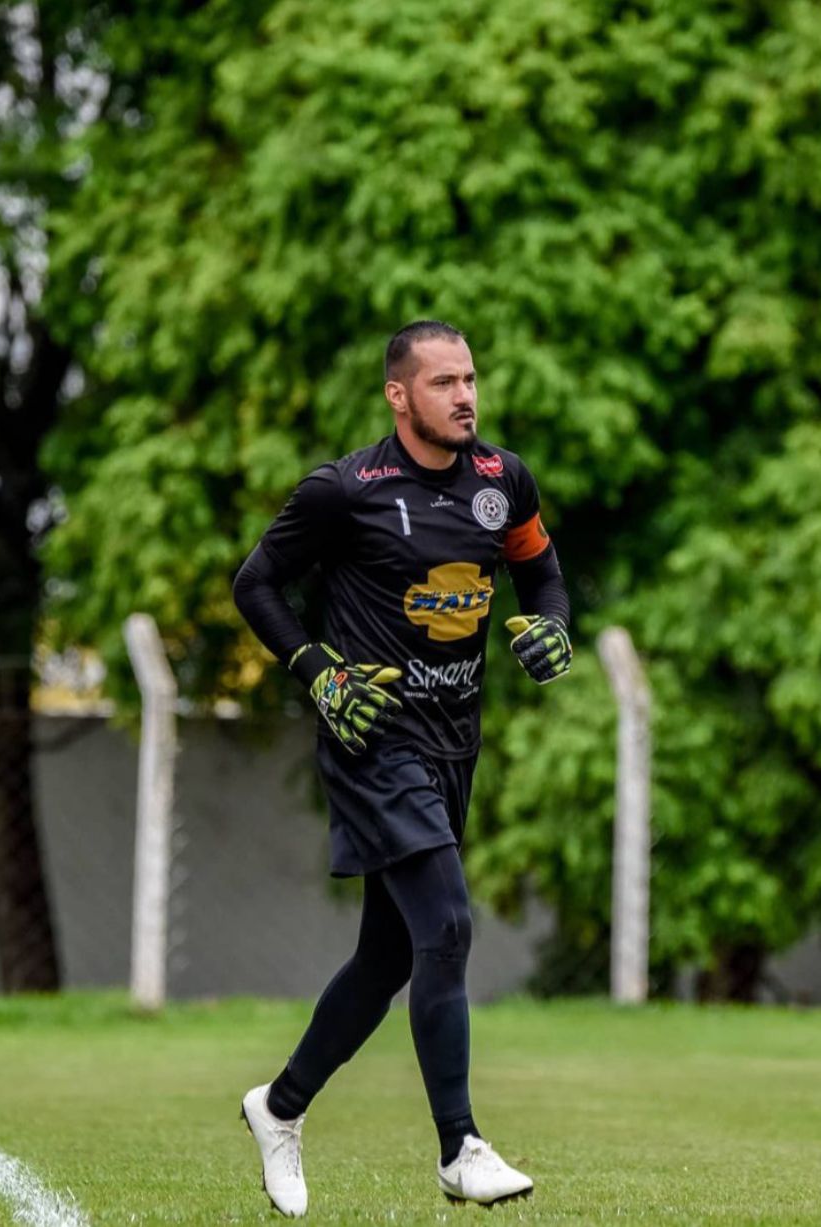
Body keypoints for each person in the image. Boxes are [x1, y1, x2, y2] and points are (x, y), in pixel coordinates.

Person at [232, 320, 572, 1217]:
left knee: (389, 955)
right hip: (374, 738)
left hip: (456, 744)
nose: (464, 396)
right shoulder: (345, 490)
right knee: (449, 927)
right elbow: (254, 584)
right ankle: (461, 1146)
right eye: (442, 382)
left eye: (470, 378)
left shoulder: (504, 480)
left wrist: (553, 630)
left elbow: (541, 574)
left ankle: (280, 1105)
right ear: (398, 395)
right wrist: (318, 671)